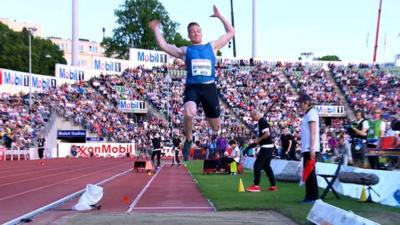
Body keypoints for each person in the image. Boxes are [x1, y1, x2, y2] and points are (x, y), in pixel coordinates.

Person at [149, 5, 235, 161]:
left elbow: (231, 32)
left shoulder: (212, 46)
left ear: (201, 33)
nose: (195, 33)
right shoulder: (185, 51)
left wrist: (219, 15)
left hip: (209, 88)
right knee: (188, 112)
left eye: (198, 31)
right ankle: (189, 139)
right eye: (192, 32)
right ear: (189, 35)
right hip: (193, 87)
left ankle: (207, 125)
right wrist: (156, 29)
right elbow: (164, 45)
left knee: (216, 127)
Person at [246, 110, 277, 192]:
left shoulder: (262, 121)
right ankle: (273, 185)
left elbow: (267, 134)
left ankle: (256, 186)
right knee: (267, 167)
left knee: (257, 165)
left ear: (256, 114)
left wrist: (259, 139)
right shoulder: (261, 122)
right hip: (268, 147)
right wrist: (253, 144)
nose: (252, 119)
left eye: (252, 117)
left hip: (266, 147)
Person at [299, 93, 320, 203]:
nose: (300, 106)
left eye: (301, 104)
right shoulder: (308, 113)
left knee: (310, 173)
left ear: (306, 103)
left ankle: (313, 197)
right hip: (306, 148)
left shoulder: (312, 113)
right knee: (308, 173)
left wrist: (312, 148)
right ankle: (309, 196)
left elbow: (313, 132)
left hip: (310, 148)